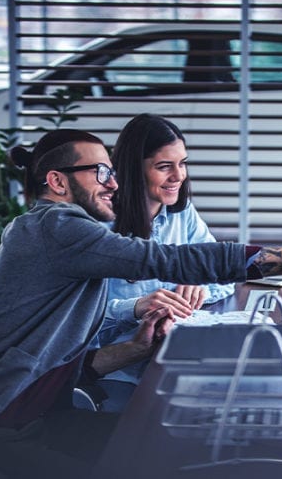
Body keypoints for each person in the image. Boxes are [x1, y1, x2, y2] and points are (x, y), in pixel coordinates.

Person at [0, 128, 282, 479]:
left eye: (111, 173)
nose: (113, 184)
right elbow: (172, 260)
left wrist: (134, 349)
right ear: (58, 182)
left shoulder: (61, 235)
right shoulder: (55, 227)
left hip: (44, 418)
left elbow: (57, 365)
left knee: (182, 449)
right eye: (101, 173)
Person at [93, 114, 235, 412]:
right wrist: (136, 307)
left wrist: (200, 286)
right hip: (118, 367)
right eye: (164, 166)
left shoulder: (181, 214)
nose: (178, 175)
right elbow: (78, 313)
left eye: (182, 163)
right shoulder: (99, 225)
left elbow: (224, 271)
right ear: (134, 170)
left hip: (173, 354)